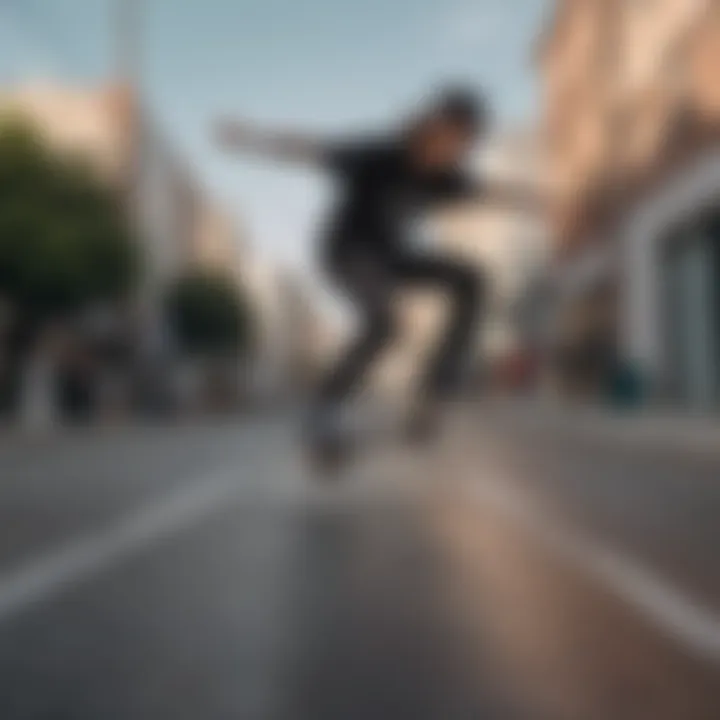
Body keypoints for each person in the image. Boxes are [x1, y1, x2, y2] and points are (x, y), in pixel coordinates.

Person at [215, 86, 536, 463]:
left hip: (392, 257)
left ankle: (436, 387)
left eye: (461, 146)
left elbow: (490, 191)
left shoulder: (446, 178)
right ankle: (324, 411)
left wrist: (540, 200)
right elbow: (311, 149)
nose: (449, 154)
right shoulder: (378, 155)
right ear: (428, 128)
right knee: (384, 324)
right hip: (346, 250)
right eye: (447, 141)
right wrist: (249, 138)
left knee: (470, 278)